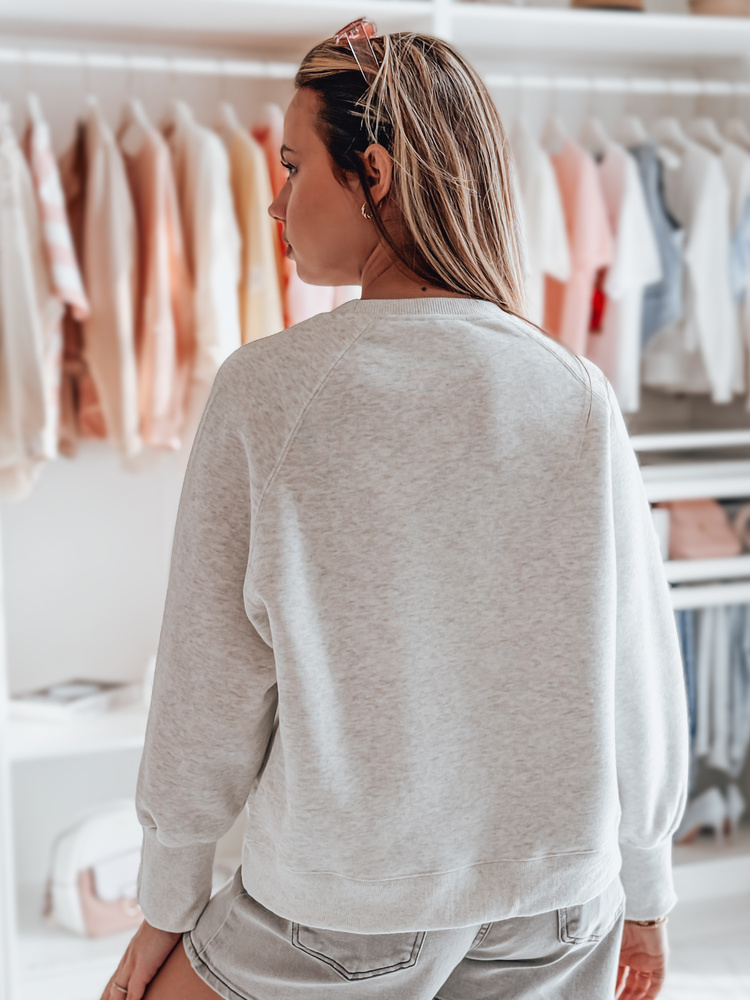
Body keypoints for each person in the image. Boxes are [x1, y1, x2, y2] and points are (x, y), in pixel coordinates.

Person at [101, 21, 689, 1000]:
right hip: (552, 905)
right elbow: (639, 663)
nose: (276, 199)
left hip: (345, 901)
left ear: (372, 171)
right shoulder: (574, 391)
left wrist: (168, 902)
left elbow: (209, 690)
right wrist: (649, 884)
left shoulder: (267, 390)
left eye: (294, 167)